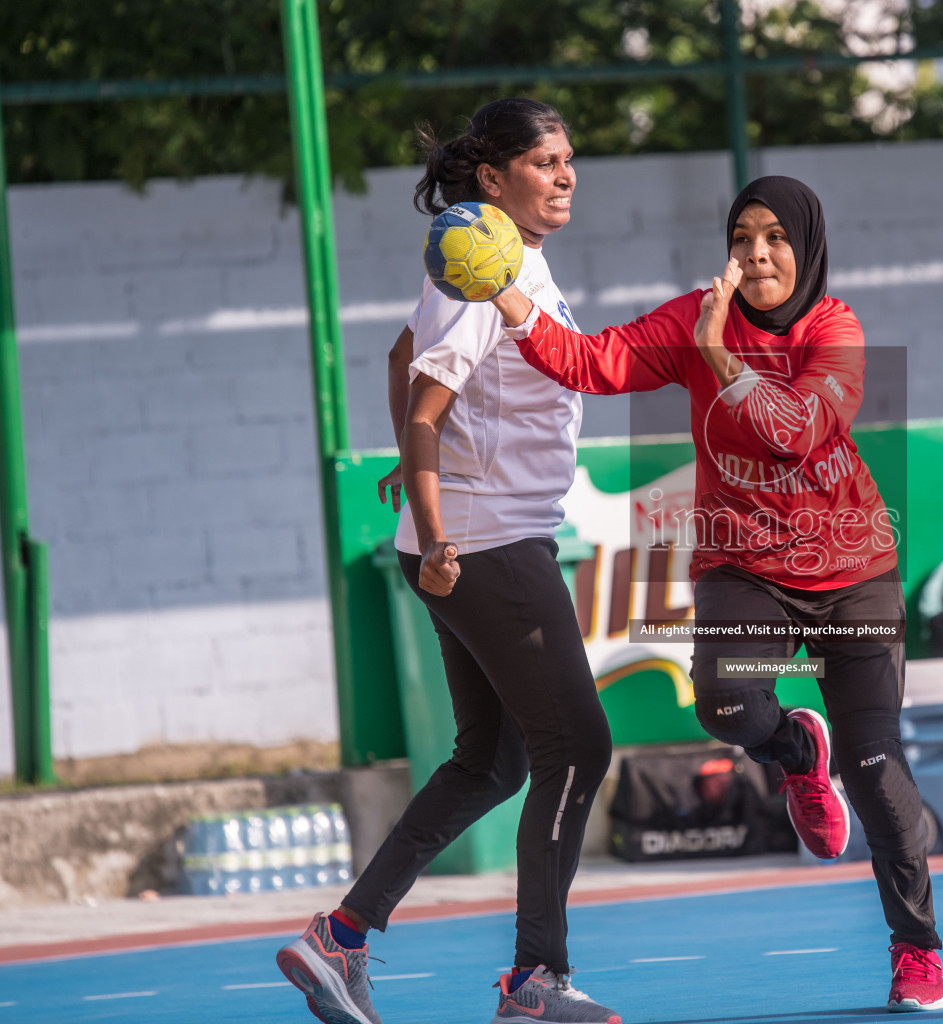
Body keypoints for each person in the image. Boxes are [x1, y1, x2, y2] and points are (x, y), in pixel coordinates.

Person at [488, 175, 943, 1012]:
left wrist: (719, 357)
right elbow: (594, 362)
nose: (759, 253)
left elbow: (801, 430)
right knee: (727, 705)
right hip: (744, 565)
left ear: (805, 248)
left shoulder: (833, 328)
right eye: (743, 238)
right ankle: (796, 754)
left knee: (878, 771)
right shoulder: (694, 316)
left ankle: (916, 949)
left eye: (775, 237)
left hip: (853, 574)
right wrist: (508, 297)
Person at [276, 98, 621, 1024]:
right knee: (577, 747)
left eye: (569, 158)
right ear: (492, 176)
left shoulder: (504, 262)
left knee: (492, 762)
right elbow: (427, 401)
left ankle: (339, 938)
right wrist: (434, 524)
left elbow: (402, 358)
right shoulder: (481, 270)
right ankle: (536, 981)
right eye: (545, 161)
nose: (564, 175)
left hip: (475, 536)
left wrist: (414, 463)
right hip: (488, 544)